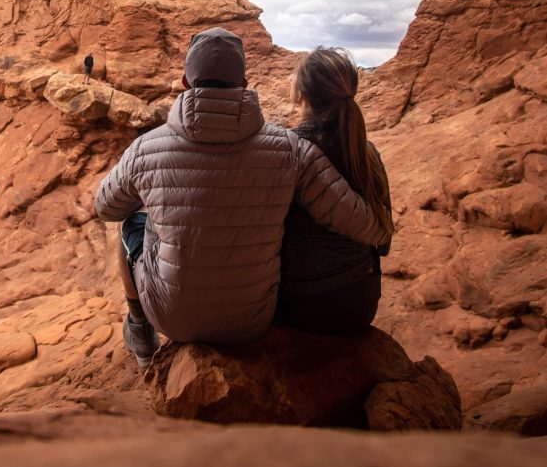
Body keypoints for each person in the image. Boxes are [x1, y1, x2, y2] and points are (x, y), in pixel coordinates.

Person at [94, 27, 391, 369]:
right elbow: (354, 218)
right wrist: (381, 231)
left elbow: (106, 207)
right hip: (252, 319)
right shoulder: (290, 149)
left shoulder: (146, 148)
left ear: (185, 83)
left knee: (134, 222)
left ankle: (140, 331)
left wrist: (159, 190)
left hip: (172, 318)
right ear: (245, 82)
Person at [276, 47, 393, 335]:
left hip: (297, 303)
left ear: (300, 94)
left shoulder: (284, 151)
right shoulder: (367, 154)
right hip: (359, 303)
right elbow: (384, 246)